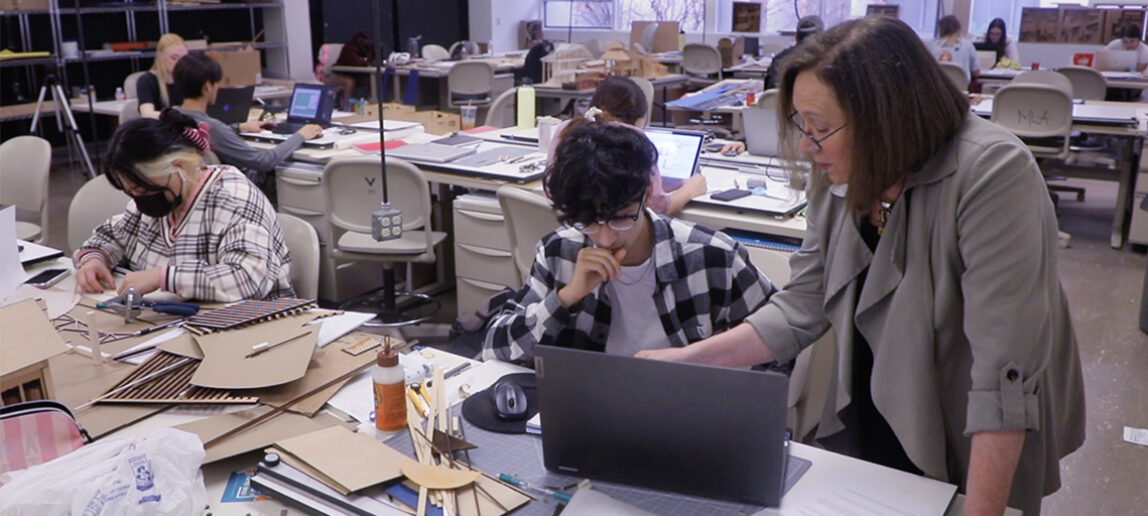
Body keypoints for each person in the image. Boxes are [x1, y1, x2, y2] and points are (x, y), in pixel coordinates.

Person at [636, 17, 1085, 516]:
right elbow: (800, 306)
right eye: (803, 125)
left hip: (971, 426)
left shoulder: (993, 173)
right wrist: (681, 363)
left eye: (822, 128)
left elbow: (1004, 378)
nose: (808, 145)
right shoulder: (842, 171)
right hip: (882, 405)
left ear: (885, 118)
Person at [482, 120, 774, 363]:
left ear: (646, 194)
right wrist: (566, 297)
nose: (606, 238)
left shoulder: (712, 255)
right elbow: (495, 348)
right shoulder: (561, 251)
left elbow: (777, 345)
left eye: (620, 218)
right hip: (594, 406)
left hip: (691, 410)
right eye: (590, 222)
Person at [74, 111, 295, 302]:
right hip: (175, 321)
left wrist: (163, 278)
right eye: (131, 192)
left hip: (248, 326)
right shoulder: (161, 197)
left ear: (178, 166)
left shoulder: (233, 200)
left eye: (142, 190)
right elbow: (113, 235)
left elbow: (247, 278)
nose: (138, 199)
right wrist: (95, 258)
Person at [549, 76, 707, 215]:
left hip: (577, 230)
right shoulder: (633, 139)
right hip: (614, 235)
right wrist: (690, 190)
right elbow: (657, 206)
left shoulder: (567, 129)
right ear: (640, 120)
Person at [171, 53, 322, 197]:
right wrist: (301, 135)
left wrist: (238, 127)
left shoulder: (172, 115)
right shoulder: (212, 127)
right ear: (207, 87)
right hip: (242, 187)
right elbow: (264, 161)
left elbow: (209, 135)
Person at [763, 15, 823, 91]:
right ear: (822, 38)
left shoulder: (779, 59)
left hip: (778, 102)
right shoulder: (826, 61)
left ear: (796, 37)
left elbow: (768, 93)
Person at [137, 33, 189, 118]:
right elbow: (147, 113)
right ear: (161, 56)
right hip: (158, 128)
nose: (180, 63)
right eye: (174, 58)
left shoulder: (186, 79)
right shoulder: (146, 81)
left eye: (184, 58)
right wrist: (175, 118)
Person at [928, 15, 980, 84]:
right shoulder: (968, 45)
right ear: (958, 29)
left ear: (940, 29)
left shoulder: (930, 45)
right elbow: (976, 73)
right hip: (960, 90)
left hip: (936, 89)